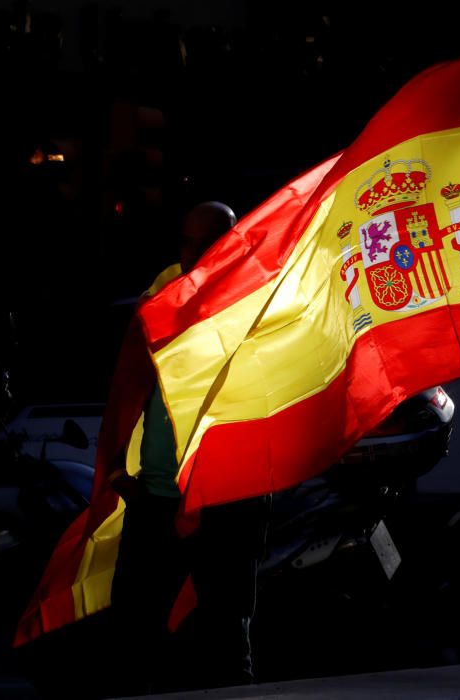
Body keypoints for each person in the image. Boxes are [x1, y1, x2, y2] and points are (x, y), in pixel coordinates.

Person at [109, 201, 270, 693]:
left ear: (232, 244)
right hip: (155, 499)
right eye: (187, 242)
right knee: (137, 634)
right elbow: (128, 390)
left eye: (210, 242)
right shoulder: (159, 301)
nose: (196, 254)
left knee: (226, 635)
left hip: (228, 501)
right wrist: (121, 477)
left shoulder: (260, 305)